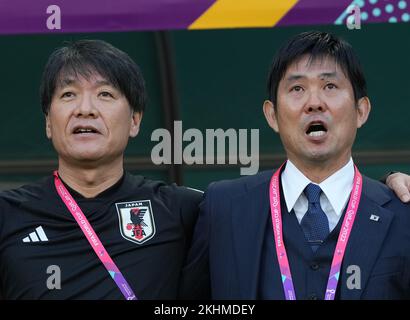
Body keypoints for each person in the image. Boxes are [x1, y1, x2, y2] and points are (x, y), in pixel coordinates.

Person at [181, 31, 410, 300]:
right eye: (297, 89)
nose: (314, 103)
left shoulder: (402, 212)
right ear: (272, 115)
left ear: (361, 111)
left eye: (330, 86)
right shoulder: (224, 207)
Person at [0, 40, 203, 299]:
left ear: (134, 121)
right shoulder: (8, 214)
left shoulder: (183, 210)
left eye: (105, 94)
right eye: (68, 94)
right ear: (49, 122)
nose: (85, 109)